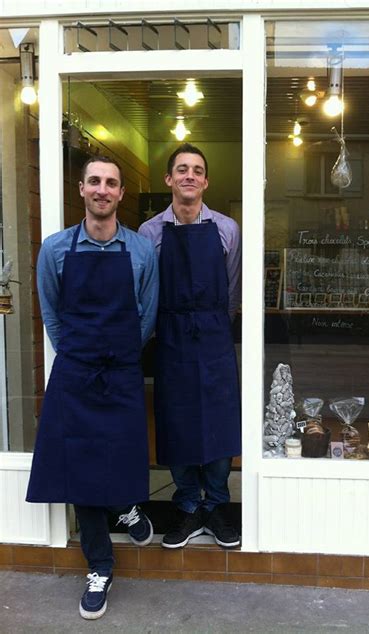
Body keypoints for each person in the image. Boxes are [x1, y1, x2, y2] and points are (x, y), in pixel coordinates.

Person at [26, 156, 158, 620]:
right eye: (95, 182)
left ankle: (124, 503)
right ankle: (100, 564)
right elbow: (52, 315)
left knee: (120, 452)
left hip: (121, 369)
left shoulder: (141, 251)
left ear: (121, 194)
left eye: (112, 184)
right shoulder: (56, 249)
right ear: (81, 189)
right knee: (80, 464)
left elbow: (146, 315)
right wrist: (80, 354)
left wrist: (117, 352)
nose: (103, 190)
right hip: (75, 371)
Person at [139, 143, 241, 549]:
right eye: (181, 169)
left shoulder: (227, 229)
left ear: (205, 181)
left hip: (215, 334)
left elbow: (232, 291)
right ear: (169, 179)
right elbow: (147, 291)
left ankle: (216, 505)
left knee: (219, 420)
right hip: (171, 338)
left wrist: (215, 323)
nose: (189, 176)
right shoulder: (149, 233)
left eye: (197, 170)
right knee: (177, 420)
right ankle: (185, 505)